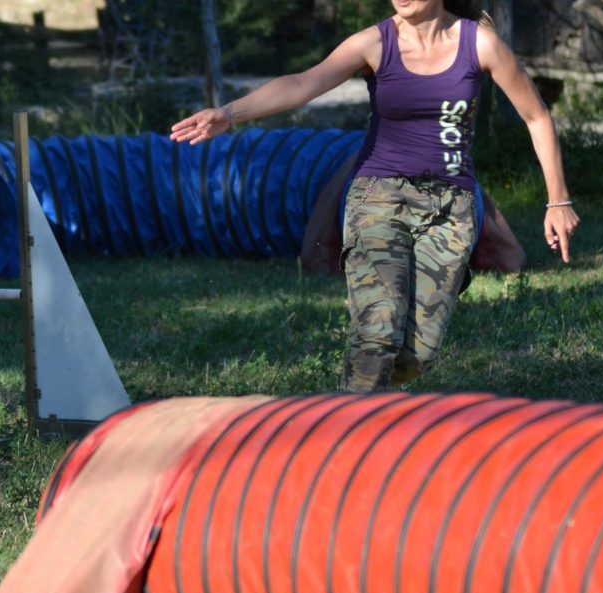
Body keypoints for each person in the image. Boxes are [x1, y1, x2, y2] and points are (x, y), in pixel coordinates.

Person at [170, 0, 580, 393]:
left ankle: (369, 398)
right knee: (377, 332)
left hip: (451, 207)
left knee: (419, 353)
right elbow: (301, 84)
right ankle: (352, 431)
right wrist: (230, 112)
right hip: (378, 197)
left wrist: (558, 200)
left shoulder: (480, 43)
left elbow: (536, 116)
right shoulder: (374, 43)